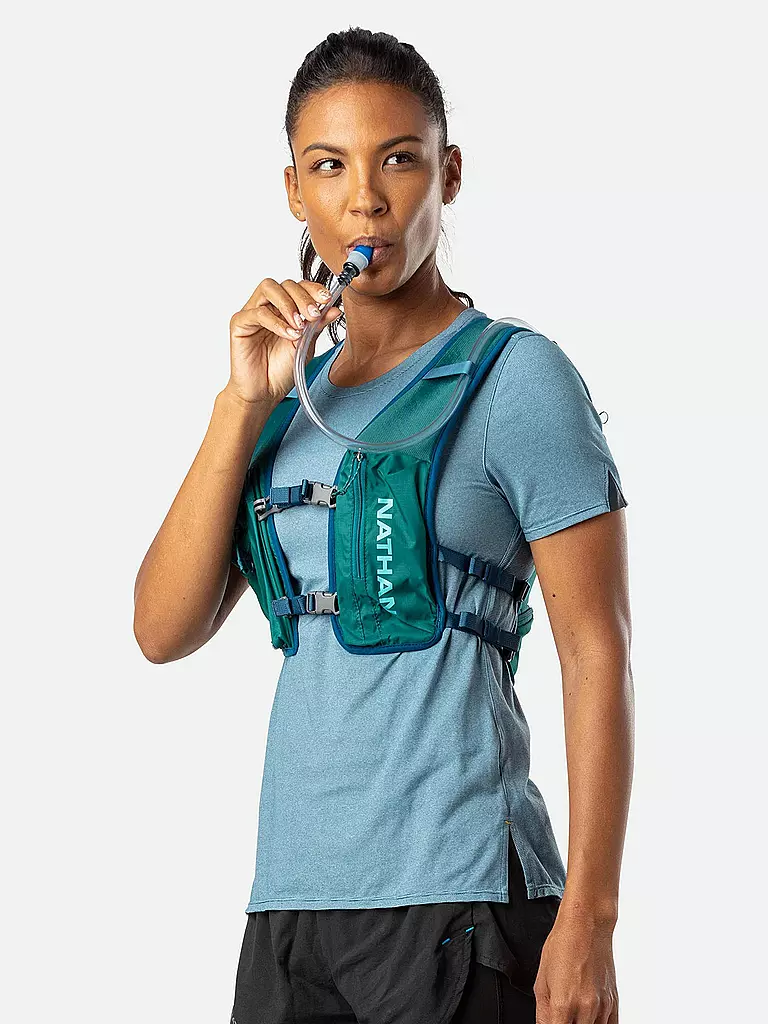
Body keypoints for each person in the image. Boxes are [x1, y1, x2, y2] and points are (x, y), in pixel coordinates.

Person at [134, 27, 633, 1024]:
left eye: (399, 159)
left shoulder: (517, 377)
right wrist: (240, 403)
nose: (365, 199)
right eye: (330, 166)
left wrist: (590, 918)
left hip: (459, 893)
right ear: (294, 191)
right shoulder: (284, 400)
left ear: (448, 173)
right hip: (291, 905)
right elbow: (161, 629)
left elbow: (597, 651)